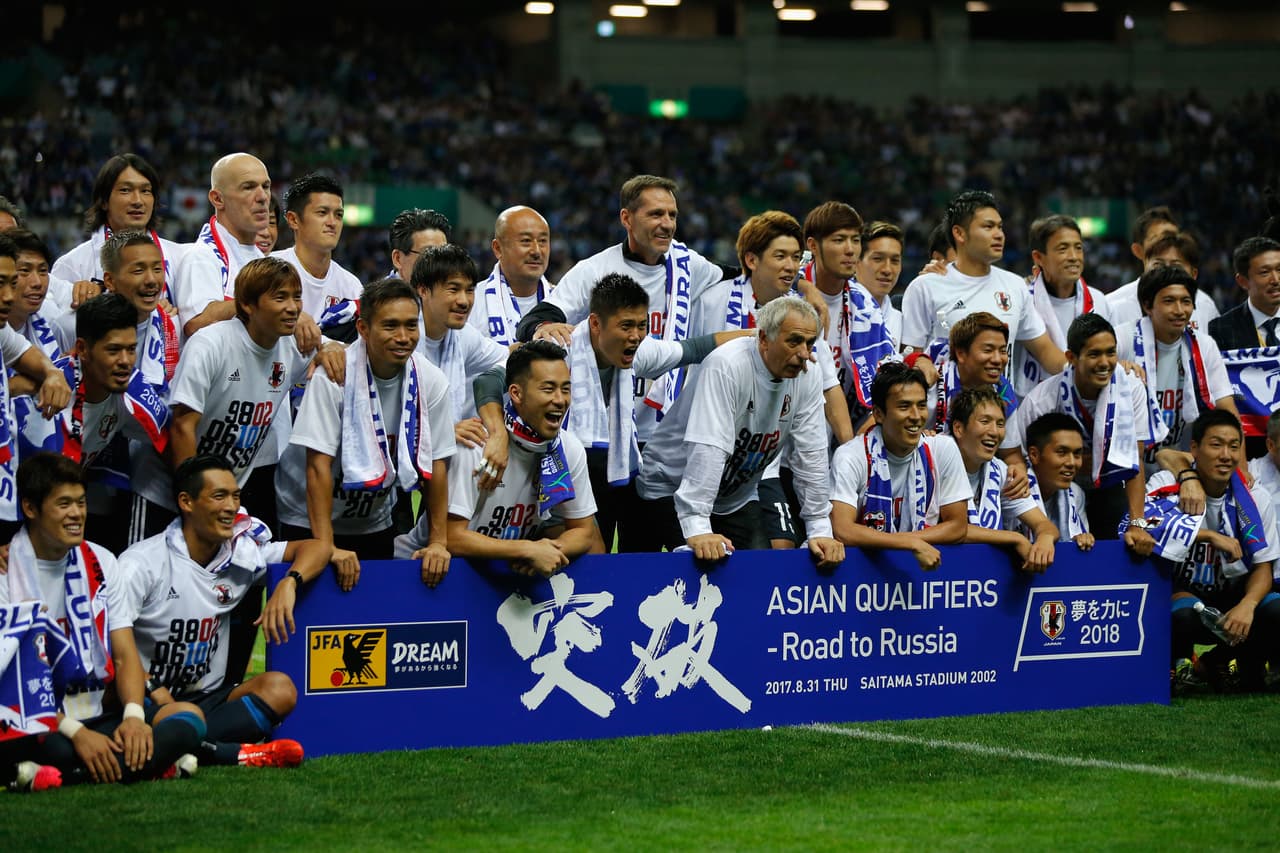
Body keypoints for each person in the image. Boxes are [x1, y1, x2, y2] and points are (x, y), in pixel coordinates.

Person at [478, 273, 747, 551]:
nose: (635, 336)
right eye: (626, 326)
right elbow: (488, 380)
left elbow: (695, 348)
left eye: (642, 326)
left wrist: (756, 337)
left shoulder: (640, 351)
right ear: (595, 323)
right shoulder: (558, 349)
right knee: (588, 552)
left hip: (604, 467)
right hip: (544, 465)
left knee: (635, 523)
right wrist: (497, 435)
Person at [2, 452, 206, 792]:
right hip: (36, 720)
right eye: (63, 504)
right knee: (31, 741)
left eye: (81, 502)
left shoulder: (102, 560)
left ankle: (47, 775)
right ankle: (143, 766)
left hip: (100, 714)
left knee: (188, 722)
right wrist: (76, 733)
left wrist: (133, 718)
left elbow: (125, 652)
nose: (77, 514)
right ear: (30, 509)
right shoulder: (6, 571)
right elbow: (15, 683)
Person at [116, 454, 337, 767]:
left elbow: (318, 547)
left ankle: (178, 747)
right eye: (219, 496)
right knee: (181, 717)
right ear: (186, 502)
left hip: (207, 699)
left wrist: (289, 582)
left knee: (280, 689)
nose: (231, 507)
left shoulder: (241, 554)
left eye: (235, 496)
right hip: (145, 698)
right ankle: (227, 753)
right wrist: (154, 692)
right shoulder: (141, 564)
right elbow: (111, 643)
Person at [516, 175, 731, 444]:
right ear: (627, 218)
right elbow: (534, 320)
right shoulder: (594, 270)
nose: (667, 224)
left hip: (662, 429)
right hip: (602, 432)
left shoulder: (688, 265)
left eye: (672, 215)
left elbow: (737, 278)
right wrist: (544, 327)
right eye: (656, 214)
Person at [636, 296, 844, 569]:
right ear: (763, 339)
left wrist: (819, 529)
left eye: (810, 343)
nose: (804, 353)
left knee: (757, 578)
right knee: (696, 574)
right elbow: (709, 448)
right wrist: (698, 527)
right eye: (793, 341)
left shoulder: (808, 373)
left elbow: (811, 453)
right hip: (670, 488)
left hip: (735, 498)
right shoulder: (727, 364)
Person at [276, 278, 455, 584]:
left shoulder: (430, 381)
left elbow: (437, 463)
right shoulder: (333, 376)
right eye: (390, 326)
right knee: (316, 627)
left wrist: (438, 541)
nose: (403, 337)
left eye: (411, 326)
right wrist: (326, 546)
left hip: (373, 520)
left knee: (376, 618)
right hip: (306, 519)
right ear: (363, 329)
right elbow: (317, 467)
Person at [691, 211, 851, 549]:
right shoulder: (712, 301)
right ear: (751, 260)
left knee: (779, 550)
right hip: (703, 446)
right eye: (780, 256)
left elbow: (827, 386)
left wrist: (849, 451)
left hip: (761, 461)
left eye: (796, 258)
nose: (791, 266)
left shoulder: (800, 317)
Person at [1138, 411, 1280, 691]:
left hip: (1233, 595)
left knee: (1276, 607)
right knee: (1184, 614)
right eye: (1216, 445)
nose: (1226, 455)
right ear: (1194, 448)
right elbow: (1139, 524)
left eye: (1234, 446)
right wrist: (1207, 536)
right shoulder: (1166, 485)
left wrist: (1247, 606)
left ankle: (1226, 663)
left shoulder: (1255, 498)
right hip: (1181, 594)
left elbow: (1263, 567)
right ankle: (1177, 665)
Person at [444, 341, 601, 576]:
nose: (560, 400)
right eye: (548, 389)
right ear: (516, 393)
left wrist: (546, 551)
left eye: (566, 389)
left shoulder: (569, 448)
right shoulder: (477, 446)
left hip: (501, 569)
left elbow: (584, 531)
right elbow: (451, 537)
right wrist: (524, 550)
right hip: (429, 569)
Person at [1000, 313, 1155, 550]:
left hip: (1111, 484)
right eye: (1094, 354)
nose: (1105, 363)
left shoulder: (1131, 389)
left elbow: (1134, 459)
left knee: (1123, 541)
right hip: (1055, 490)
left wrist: (1137, 523)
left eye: (1111, 353)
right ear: (1071, 358)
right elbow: (1021, 461)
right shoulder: (1041, 401)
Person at [901, 190, 1064, 386]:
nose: (999, 235)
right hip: (946, 412)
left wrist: (1078, 371)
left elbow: (1045, 350)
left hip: (1001, 411)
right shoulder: (926, 287)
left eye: (1000, 227)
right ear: (959, 233)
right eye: (988, 227)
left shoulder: (1014, 285)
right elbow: (910, 355)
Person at [173, 153, 319, 355]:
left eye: (265, 186)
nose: (262, 197)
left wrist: (329, 347)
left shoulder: (262, 259)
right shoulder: (202, 256)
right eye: (248, 187)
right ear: (217, 199)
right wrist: (269, 308)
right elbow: (196, 323)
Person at [830, 362, 971, 571]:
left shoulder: (943, 448)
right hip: (859, 572)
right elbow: (843, 529)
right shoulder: (851, 456)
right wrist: (910, 544)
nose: (916, 416)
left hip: (920, 566)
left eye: (921, 405)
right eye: (904, 407)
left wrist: (907, 542)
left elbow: (958, 526)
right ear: (878, 414)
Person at [1115, 265, 1236, 467]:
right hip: (1126, 459)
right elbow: (1084, 369)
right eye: (1169, 301)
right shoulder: (1123, 338)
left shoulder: (1204, 346)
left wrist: (1242, 473)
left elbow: (1228, 412)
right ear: (1147, 305)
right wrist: (1115, 367)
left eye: (1186, 302)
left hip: (1178, 460)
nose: (1180, 311)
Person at [0, 234, 74, 534]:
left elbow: (23, 352)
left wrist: (52, 374)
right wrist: (12, 389)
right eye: (1, 283)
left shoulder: (4, 330)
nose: (8, 295)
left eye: (10, 283)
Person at [798, 201, 895, 421]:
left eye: (856, 240)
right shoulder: (790, 295)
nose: (850, 250)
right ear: (813, 245)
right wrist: (802, 285)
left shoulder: (864, 303)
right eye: (839, 240)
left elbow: (887, 380)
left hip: (845, 430)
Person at [50, 153, 186, 310]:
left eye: (146, 191)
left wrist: (173, 321)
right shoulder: (71, 265)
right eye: (126, 190)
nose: (138, 201)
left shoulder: (181, 258)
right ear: (103, 201)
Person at [949, 387, 1058, 572]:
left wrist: (1045, 539)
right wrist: (1013, 538)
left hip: (983, 576)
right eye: (985, 422)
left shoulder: (999, 470)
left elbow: (1044, 524)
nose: (994, 432)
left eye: (1000, 424)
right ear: (958, 428)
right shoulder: (937, 458)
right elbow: (950, 529)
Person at [1014, 214, 1111, 395]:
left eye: (1078, 248)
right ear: (1038, 257)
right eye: (1063, 249)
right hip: (1031, 407)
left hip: (1084, 404)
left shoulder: (1098, 300)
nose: (1074, 257)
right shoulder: (1023, 299)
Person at [1107, 209, 1220, 330]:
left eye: (1170, 237)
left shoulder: (1205, 305)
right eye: (1159, 264)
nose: (1167, 271)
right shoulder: (1112, 307)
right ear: (1142, 255)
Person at [272, 173, 362, 321]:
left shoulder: (352, 287)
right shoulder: (267, 271)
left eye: (339, 215)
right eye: (322, 213)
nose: (332, 222)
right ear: (293, 220)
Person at [469, 205, 552, 346]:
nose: (537, 251)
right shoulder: (471, 304)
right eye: (526, 241)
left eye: (543, 241)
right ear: (498, 248)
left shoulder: (563, 302)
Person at [929, 311, 1019, 435]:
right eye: (988, 350)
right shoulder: (931, 384)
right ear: (961, 354)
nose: (998, 359)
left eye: (1003, 351)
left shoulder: (1003, 389)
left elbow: (1010, 452)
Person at [1023, 412, 1094, 550]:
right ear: (1034, 455)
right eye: (1062, 452)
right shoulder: (1014, 487)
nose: (1072, 463)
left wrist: (1080, 540)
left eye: (1077, 453)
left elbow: (1077, 538)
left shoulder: (1076, 493)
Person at [1209, 236, 1280, 350]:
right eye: (1265, 272)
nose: (1276, 280)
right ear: (1242, 281)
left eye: (1279, 269)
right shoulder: (1220, 330)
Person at [856, 220, 905, 348]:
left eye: (895, 261)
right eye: (877, 259)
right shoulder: (838, 312)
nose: (887, 270)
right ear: (856, 262)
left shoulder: (902, 322)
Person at [388, 208, 451, 281]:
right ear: (398, 259)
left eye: (445, 254)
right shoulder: (381, 292)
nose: (440, 264)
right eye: (428, 254)